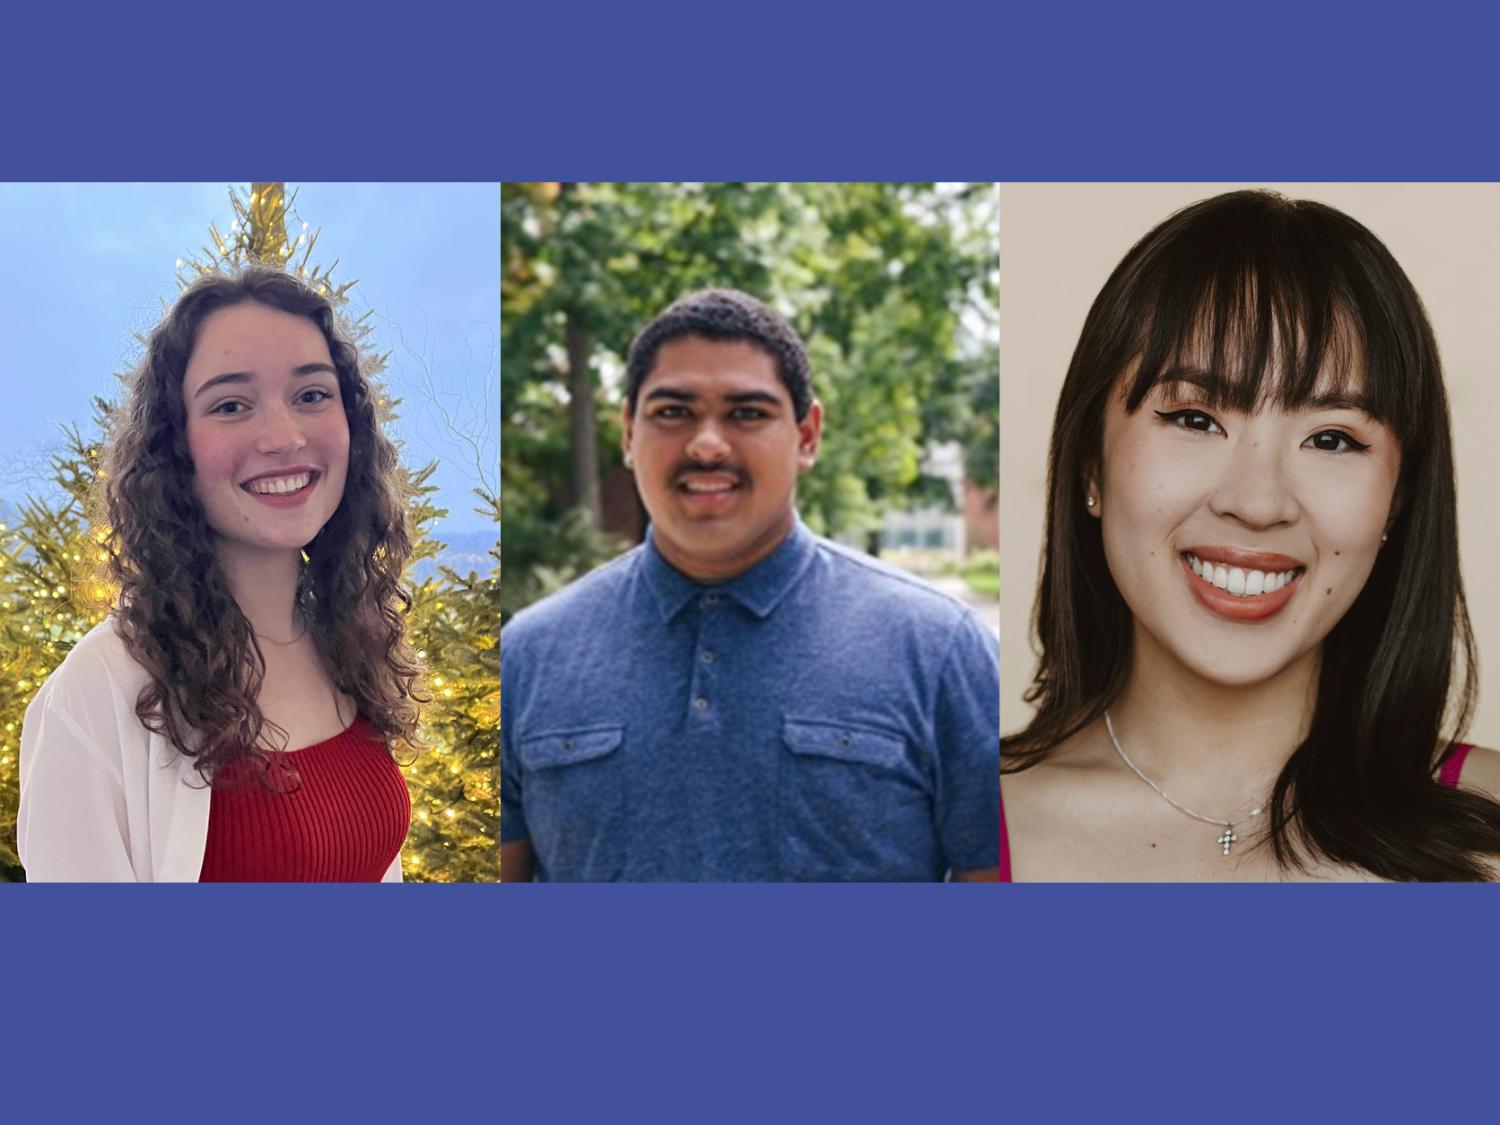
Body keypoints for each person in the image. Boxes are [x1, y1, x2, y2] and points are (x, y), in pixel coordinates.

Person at [1000, 190, 1500, 881]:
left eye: (1331, 438)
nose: (1258, 503)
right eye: (1195, 419)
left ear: (1398, 499)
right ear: (1091, 464)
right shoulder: (935, 831)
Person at [501, 288, 999, 881]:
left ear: (807, 435)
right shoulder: (527, 656)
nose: (707, 444)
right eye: (673, 412)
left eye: (747, 413)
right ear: (629, 432)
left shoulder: (941, 651)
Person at [18, 267, 423, 881]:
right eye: (231, 405)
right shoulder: (96, 693)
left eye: (312, 395)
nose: (284, 437)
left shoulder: (349, 639)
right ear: (174, 446)